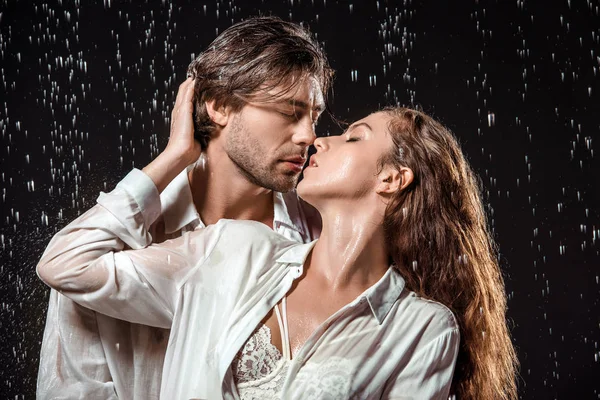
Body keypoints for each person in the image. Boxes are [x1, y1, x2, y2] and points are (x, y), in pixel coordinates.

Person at [37, 99, 519, 399]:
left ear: (392, 179)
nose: (317, 141)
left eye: (352, 137)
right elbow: (67, 264)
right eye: (295, 115)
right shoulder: (235, 250)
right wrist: (174, 158)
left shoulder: (423, 330)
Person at [36, 16, 333, 399]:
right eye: (290, 112)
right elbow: (71, 390)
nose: (309, 135)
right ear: (220, 105)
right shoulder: (108, 243)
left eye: (314, 116)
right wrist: (175, 156)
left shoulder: (321, 234)